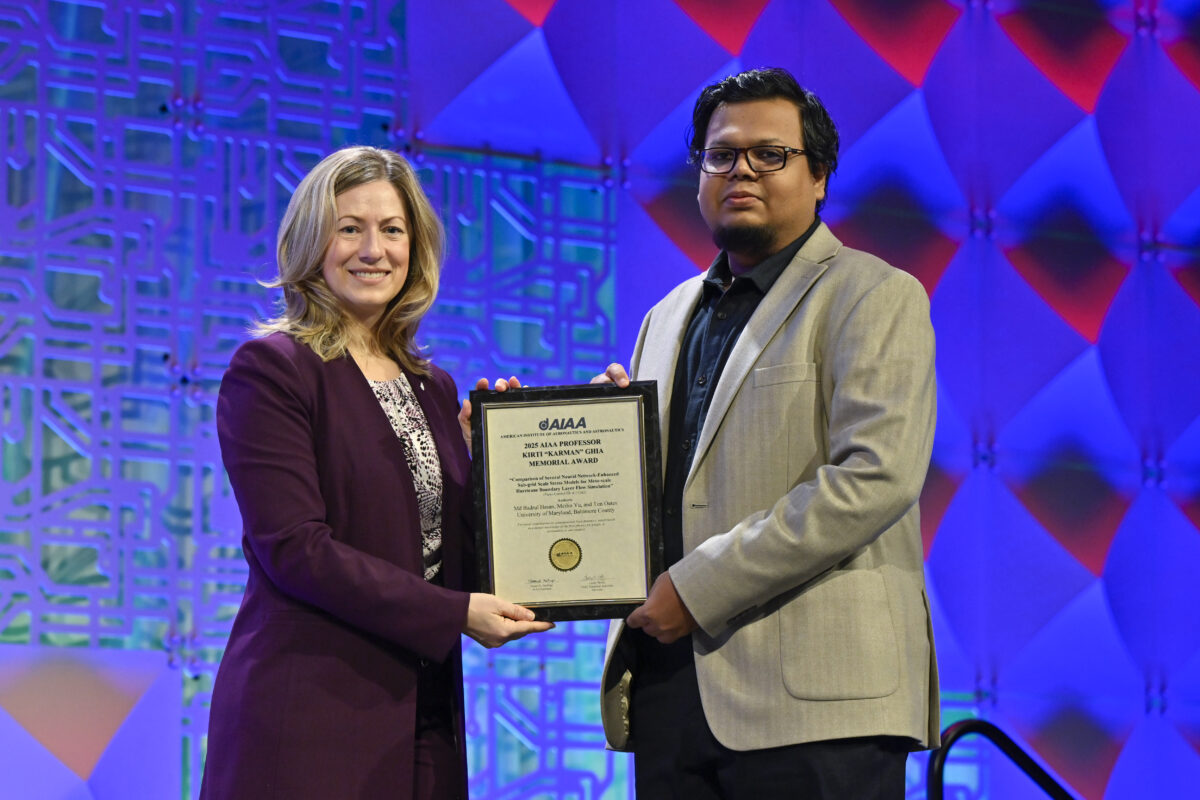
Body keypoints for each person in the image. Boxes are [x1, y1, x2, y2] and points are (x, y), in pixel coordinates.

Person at [595, 68, 939, 798]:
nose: (741, 170)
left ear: (819, 176)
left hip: (819, 706)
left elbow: (871, 477)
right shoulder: (667, 314)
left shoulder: (873, 294)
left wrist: (698, 587)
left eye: (769, 154)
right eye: (720, 155)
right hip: (671, 689)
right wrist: (590, 446)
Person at [200, 145, 553, 800]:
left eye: (392, 230)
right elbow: (296, 550)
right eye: (350, 228)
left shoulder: (431, 385)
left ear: (415, 248)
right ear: (314, 241)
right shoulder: (274, 368)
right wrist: (454, 613)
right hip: (309, 717)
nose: (373, 249)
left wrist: (535, 457)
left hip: (424, 719)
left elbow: (449, 558)